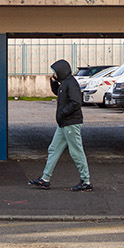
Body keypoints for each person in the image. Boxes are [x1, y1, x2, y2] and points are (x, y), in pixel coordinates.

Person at [29, 58, 91, 191]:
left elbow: (76, 102)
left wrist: (62, 113)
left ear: (61, 71)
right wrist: (53, 83)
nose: (53, 74)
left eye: (55, 72)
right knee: (53, 149)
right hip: (64, 124)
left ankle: (86, 181)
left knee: (76, 152)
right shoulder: (64, 83)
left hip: (70, 123)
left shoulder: (71, 83)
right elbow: (58, 92)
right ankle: (45, 179)